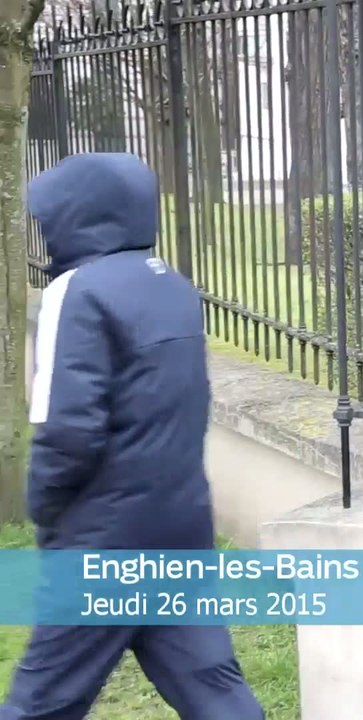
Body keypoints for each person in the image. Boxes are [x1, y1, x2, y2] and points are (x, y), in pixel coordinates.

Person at [1, 153, 265, 719]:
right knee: (213, 689)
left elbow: (68, 429)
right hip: (180, 523)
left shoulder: (77, 292)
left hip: (104, 539)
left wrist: (48, 515)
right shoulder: (172, 284)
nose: (45, 235)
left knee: (41, 702)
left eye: (49, 221)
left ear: (79, 215)